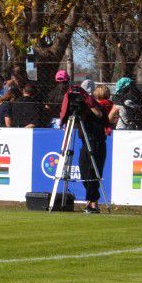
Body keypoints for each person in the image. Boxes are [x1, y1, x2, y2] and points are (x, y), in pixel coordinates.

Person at [59, 85, 107, 213]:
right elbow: (72, 124)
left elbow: (99, 114)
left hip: (97, 143)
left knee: (93, 172)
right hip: (85, 144)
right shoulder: (81, 110)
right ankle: (91, 200)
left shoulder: (96, 106)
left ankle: (93, 203)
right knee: (84, 172)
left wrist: (89, 104)